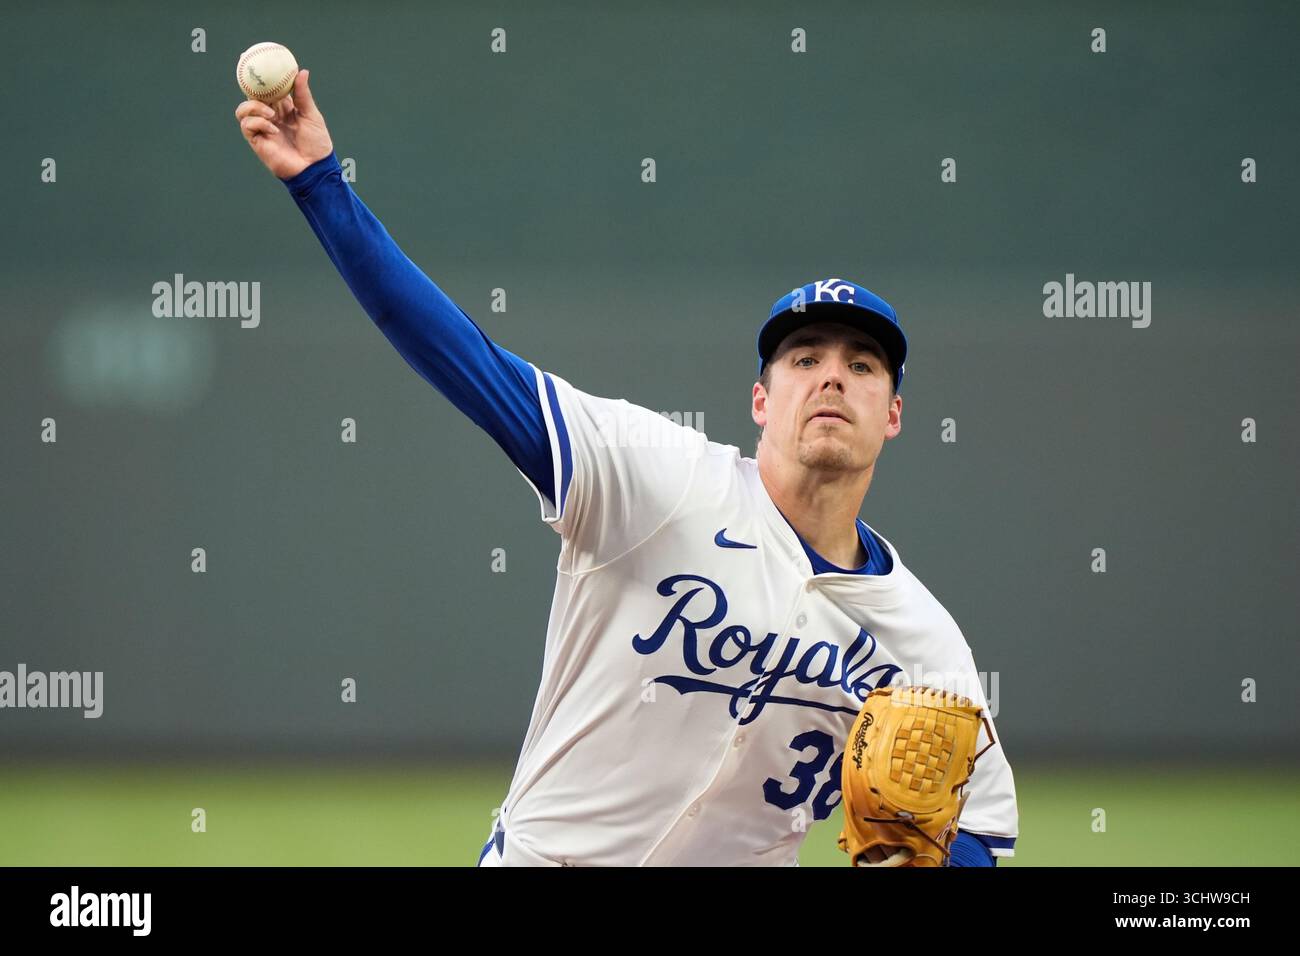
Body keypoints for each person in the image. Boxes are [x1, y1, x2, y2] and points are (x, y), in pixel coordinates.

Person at [234, 71, 1019, 867]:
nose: (831, 377)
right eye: (804, 357)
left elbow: (985, 831)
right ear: (759, 399)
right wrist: (321, 185)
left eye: (863, 365)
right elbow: (462, 357)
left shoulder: (922, 641)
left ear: (892, 413)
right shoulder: (658, 481)